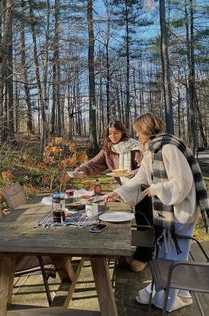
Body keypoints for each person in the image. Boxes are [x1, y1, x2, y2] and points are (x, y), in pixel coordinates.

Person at [104, 112, 209, 312]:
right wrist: (117, 193)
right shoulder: (152, 150)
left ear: (147, 130)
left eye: (138, 132)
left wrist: (156, 189)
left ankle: (168, 297)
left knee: (173, 257)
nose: (138, 136)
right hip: (167, 212)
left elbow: (182, 183)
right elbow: (139, 178)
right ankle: (182, 294)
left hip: (179, 211)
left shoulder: (169, 148)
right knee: (171, 255)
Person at [72, 120, 153, 272]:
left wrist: (132, 173)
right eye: (110, 133)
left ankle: (144, 256)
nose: (113, 136)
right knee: (116, 218)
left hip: (141, 188)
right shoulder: (108, 150)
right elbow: (94, 164)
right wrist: (80, 169)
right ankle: (118, 248)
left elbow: (145, 168)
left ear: (122, 132)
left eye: (116, 133)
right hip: (121, 189)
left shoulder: (135, 146)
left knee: (143, 220)